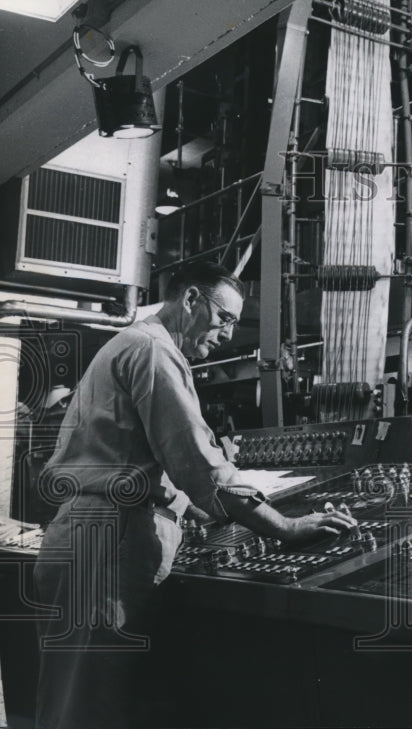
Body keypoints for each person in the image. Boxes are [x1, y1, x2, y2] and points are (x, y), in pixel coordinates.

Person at [32, 261, 356, 729]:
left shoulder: (134, 344)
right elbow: (199, 466)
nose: (227, 335)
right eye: (225, 319)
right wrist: (285, 528)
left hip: (93, 536)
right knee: (87, 710)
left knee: (81, 700)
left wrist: (198, 513)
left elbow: (145, 464)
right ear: (190, 300)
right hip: (106, 543)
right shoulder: (153, 351)